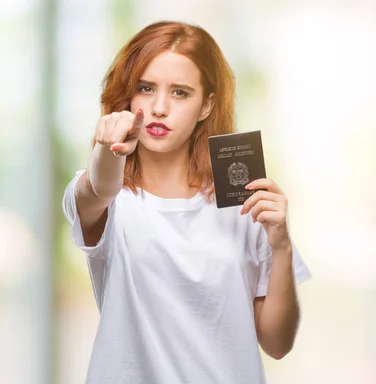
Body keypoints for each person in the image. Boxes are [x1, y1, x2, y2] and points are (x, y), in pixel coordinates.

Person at [61, 20, 311, 384]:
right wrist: (107, 149)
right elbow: (99, 189)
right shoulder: (111, 199)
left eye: (180, 93)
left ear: (206, 105)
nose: (159, 108)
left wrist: (282, 245)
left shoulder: (241, 200)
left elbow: (276, 343)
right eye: (146, 88)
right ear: (129, 97)